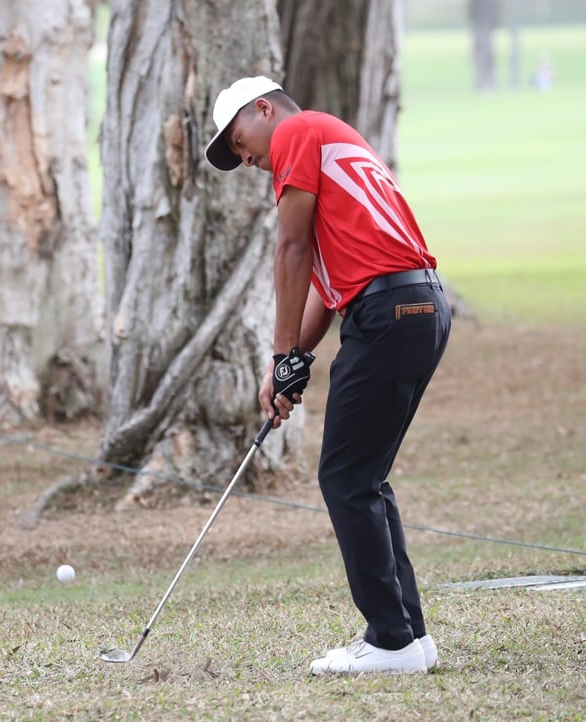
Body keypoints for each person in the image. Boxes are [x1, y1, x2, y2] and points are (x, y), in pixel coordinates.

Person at [204, 76, 452, 675]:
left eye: (240, 141)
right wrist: (290, 363)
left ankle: (390, 641)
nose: (246, 158)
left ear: (264, 109)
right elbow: (326, 285)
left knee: (344, 477)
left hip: (387, 312)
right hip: (420, 307)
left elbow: (290, 251)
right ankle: (410, 636)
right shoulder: (330, 138)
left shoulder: (296, 131)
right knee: (364, 476)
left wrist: (279, 355)